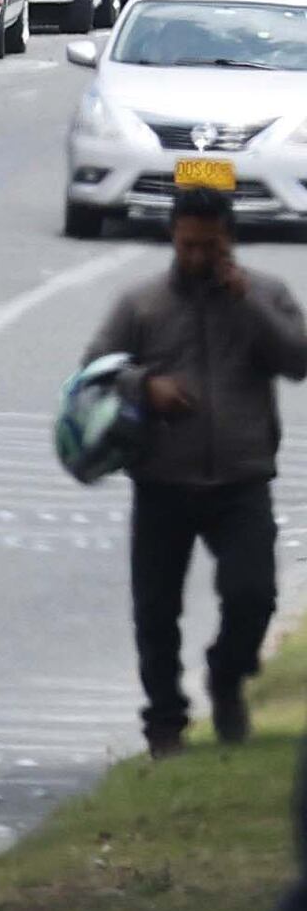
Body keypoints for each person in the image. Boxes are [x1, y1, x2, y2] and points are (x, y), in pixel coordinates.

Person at [89, 170, 307, 753]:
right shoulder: (142, 305)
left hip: (241, 480)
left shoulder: (265, 294)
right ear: (173, 238)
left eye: (209, 246)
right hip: (162, 481)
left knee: (253, 594)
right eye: (187, 244)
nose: (198, 256)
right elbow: (92, 377)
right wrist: (144, 387)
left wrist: (250, 304)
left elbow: (297, 360)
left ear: (229, 240)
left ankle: (228, 675)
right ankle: (165, 722)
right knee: (156, 612)